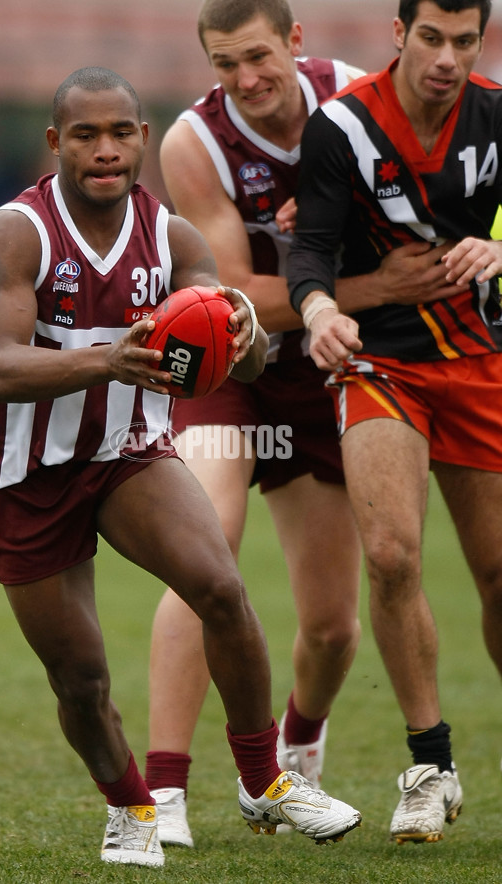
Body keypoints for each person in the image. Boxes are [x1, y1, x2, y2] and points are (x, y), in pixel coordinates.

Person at [0, 66, 362, 869]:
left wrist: (243, 332)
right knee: (81, 678)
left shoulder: (175, 237)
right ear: (57, 143)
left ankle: (264, 780)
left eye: (120, 133)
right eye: (85, 135)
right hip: (25, 471)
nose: (105, 151)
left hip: (128, 455)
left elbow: (233, 364)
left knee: (219, 586)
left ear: (143, 139)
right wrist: (108, 360)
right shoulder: (20, 231)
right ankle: (133, 807)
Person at [145, 0, 458, 849]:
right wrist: (372, 286)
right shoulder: (194, 143)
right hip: (234, 371)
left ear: (295, 41)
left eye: (258, 57)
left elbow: (414, 240)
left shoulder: (358, 105)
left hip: (330, 375)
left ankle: (301, 744)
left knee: (331, 624)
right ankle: (162, 793)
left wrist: (355, 266)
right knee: (201, 557)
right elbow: (239, 297)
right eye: (223, 64)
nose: (245, 80)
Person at [287, 0, 502, 845]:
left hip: (479, 360)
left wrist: (498, 247)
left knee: (496, 573)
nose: (447, 57)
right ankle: (429, 766)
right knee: (390, 555)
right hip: (379, 360)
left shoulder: (495, 115)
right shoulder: (341, 127)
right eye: (432, 38)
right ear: (399, 33)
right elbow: (312, 248)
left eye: (465, 40)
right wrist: (315, 311)